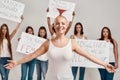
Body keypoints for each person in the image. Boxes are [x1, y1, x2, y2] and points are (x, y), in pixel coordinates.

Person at [4, 16, 115, 80]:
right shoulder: (48, 43)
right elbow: (33, 55)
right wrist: (16, 62)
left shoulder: (73, 43)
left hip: (67, 78)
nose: (60, 25)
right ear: (54, 26)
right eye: (57, 23)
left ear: (66, 26)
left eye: (63, 23)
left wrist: (104, 64)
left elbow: (88, 55)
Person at [0, 16, 23, 80]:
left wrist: (20, 21)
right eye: (3, 29)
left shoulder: (8, 38)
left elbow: (15, 31)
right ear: (1, 30)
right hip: (1, 59)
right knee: (4, 76)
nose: (4, 30)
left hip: (8, 59)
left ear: (7, 30)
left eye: (5, 29)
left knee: (6, 77)